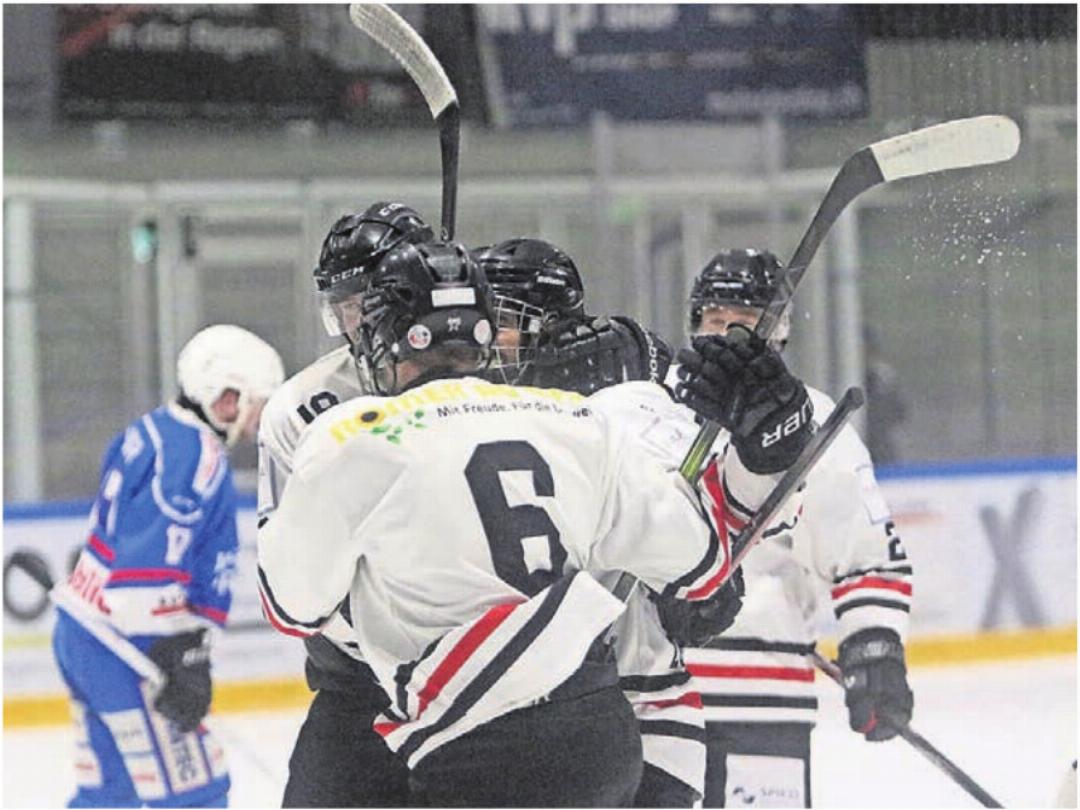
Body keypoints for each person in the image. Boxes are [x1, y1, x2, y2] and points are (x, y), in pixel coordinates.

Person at [257, 238, 814, 807]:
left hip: (494, 730)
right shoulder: (580, 420)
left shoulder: (353, 434)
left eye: (514, 322)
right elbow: (701, 562)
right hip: (605, 727)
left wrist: (769, 448)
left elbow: (292, 606)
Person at [475, 237, 714, 806]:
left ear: (548, 324)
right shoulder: (467, 419)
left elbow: (688, 500)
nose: (487, 336)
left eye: (503, 320)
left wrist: (699, 578)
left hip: (645, 707)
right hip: (516, 728)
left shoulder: (621, 400)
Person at [678, 249, 915, 808]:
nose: (730, 332)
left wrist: (874, 646)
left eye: (747, 318)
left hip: (763, 700)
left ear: (778, 328)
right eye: (716, 319)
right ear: (694, 323)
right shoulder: (656, 408)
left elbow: (867, 554)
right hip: (657, 701)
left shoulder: (811, 421)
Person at [51, 324, 284, 808]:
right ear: (224, 397)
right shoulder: (194, 455)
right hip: (132, 648)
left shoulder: (150, 431)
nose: (259, 418)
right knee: (196, 792)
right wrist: (182, 657)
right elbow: (141, 583)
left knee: (112, 792)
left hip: (84, 633)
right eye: (256, 401)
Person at [256, 201, 431, 807]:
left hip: (488, 683)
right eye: (344, 307)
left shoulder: (493, 385)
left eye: (366, 303)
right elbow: (288, 569)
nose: (355, 324)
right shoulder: (301, 408)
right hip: (358, 685)